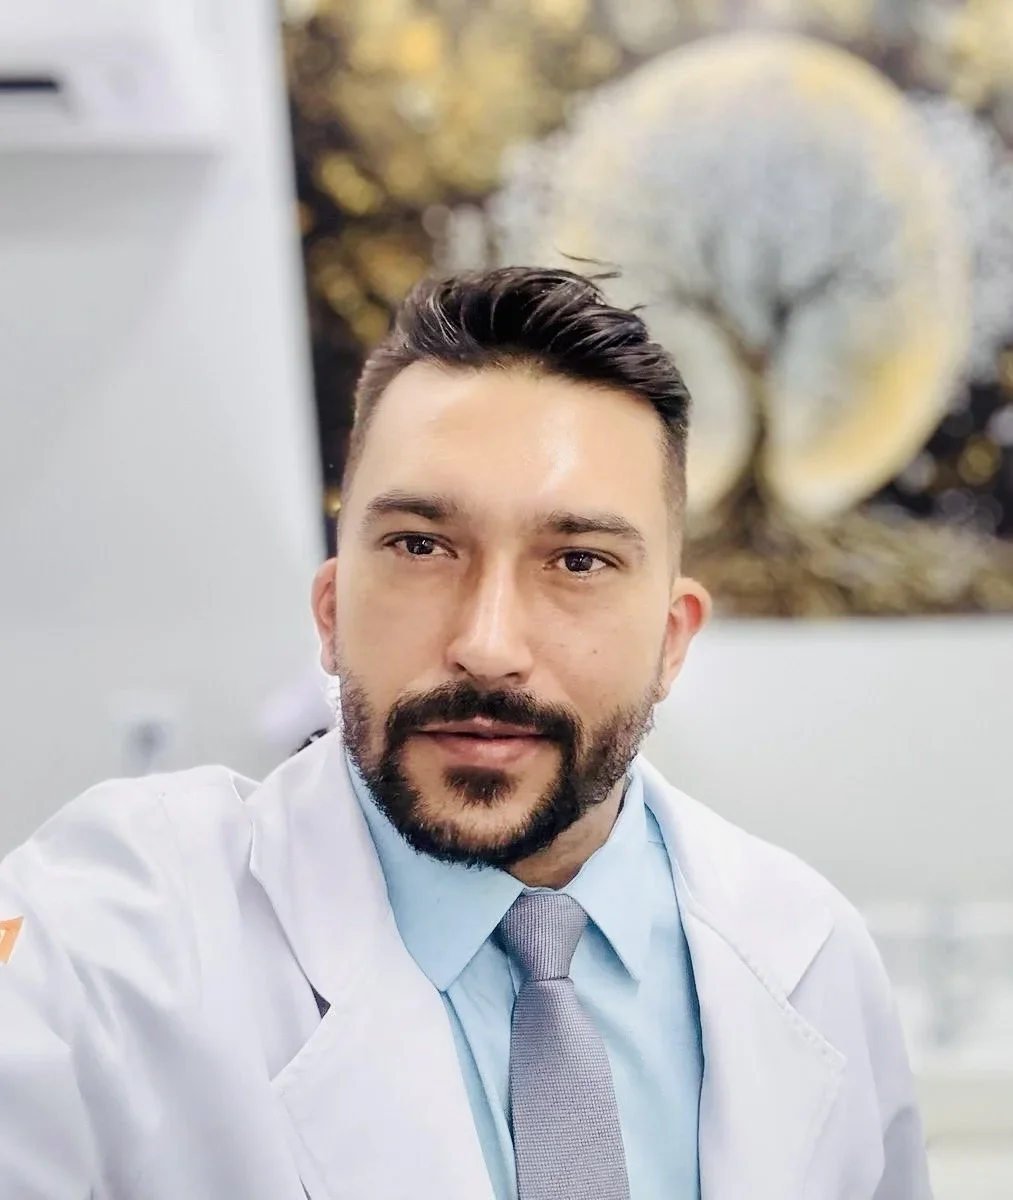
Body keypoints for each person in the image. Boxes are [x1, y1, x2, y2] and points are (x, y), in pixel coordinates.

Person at [0, 267, 929, 1200]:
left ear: (671, 641)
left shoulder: (809, 959)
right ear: (330, 610)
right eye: (420, 546)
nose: (487, 648)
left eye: (577, 560)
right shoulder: (107, 940)